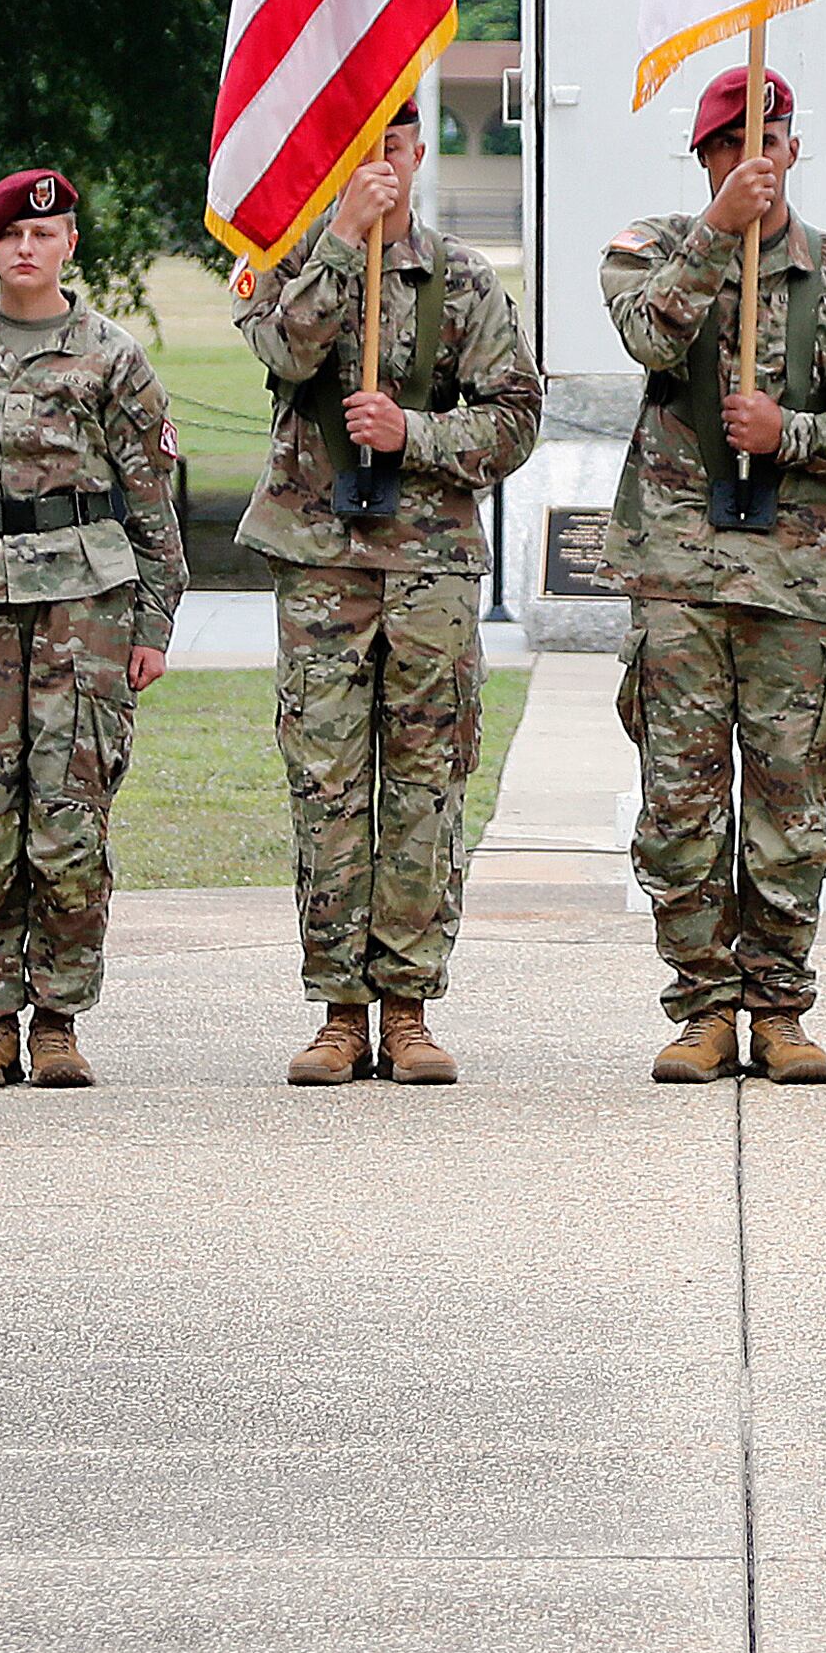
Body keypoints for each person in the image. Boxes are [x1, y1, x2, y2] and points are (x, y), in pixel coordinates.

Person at [598, 65, 826, 1085]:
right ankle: (700, 1005)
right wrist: (714, 233)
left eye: (773, 140)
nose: (757, 159)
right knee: (679, 807)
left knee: (792, 809)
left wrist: (794, 434)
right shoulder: (648, 250)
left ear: (796, 149)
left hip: (794, 580)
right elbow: (648, 333)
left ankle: (779, 1005)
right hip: (680, 575)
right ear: (704, 159)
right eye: (734, 144)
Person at [235, 106, 543, 1086]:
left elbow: (514, 417)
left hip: (428, 566)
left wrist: (415, 435)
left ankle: (407, 1007)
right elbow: (285, 352)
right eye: (360, 149)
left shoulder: (459, 281)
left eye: (397, 148)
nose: (381, 166)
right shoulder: (280, 260)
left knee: (423, 786)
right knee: (326, 786)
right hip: (319, 559)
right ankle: (337, 1010)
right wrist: (338, 243)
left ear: (419, 155)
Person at [0, 166, 184, 1089]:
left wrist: (154, 620)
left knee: (68, 822)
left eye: (45, 233)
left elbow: (151, 503)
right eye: (10, 236)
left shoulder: (112, 356)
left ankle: (59, 1018)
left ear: (69, 245)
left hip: (85, 611)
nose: (26, 248)